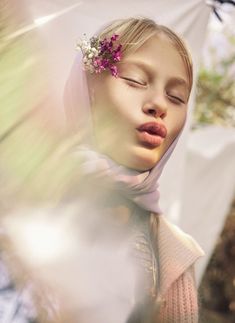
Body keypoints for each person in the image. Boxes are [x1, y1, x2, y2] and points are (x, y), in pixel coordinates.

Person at [61, 16, 205, 323]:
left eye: (177, 97)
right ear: (88, 90)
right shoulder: (18, 196)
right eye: (136, 81)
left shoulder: (175, 255)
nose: (159, 105)